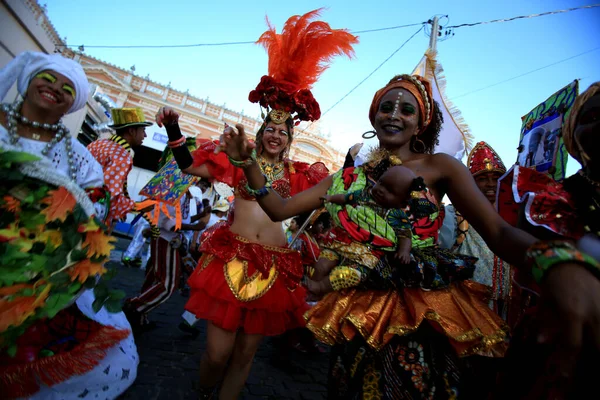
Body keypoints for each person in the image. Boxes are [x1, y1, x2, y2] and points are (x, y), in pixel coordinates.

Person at [221, 73, 600, 399]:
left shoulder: (441, 167)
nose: (394, 115)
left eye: (406, 110)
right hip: (357, 310)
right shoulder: (347, 178)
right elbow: (279, 208)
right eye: (386, 108)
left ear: (421, 122)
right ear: (373, 116)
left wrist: (557, 263)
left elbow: (499, 232)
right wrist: (246, 161)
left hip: (422, 309)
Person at [157, 10, 357, 399]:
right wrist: (173, 128)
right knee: (217, 354)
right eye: (271, 129)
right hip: (232, 258)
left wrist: (351, 171)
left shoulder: (301, 174)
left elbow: (327, 200)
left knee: (245, 356)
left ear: (289, 138)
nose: (276, 135)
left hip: (276, 265)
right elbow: (189, 166)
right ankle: (202, 391)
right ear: (262, 131)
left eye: (284, 131)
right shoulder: (236, 162)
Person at [0, 51, 138, 399]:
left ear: (72, 103)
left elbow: (92, 205)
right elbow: (113, 194)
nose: (55, 88)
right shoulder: (121, 152)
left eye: (67, 87)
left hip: (37, 274)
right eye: (47, 78)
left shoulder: (84, 155)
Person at [494, 82, 600, 399]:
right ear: (571, 133)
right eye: (592, 115)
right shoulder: (553, 197)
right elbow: (513, 236)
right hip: (562, 349)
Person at [308, 165, 462, 297]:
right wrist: (330, 198)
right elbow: (346, 198)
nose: (381, 190)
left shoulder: (397, 214)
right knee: (322, 264)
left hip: (365, 256)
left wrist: (404, 251)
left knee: (351, 275)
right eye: (381, 183)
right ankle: (312, 287)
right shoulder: (364, 194)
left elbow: (405, 234)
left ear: (402, 201)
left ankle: (321, 288)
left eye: (390, 190)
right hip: (342, 242)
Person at [439, 141, 512, 319]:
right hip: (469, 307)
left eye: (496, 178)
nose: (490, 184)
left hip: (509, 308)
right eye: (482, 179)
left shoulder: (513, 216)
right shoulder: (455, 215)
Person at [123, 188, 206, 331]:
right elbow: (171, 224)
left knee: (153, 280)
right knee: (167, 285)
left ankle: (140, 319)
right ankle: (135, 306)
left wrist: (200, 217)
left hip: (166, 239)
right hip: (166, 240)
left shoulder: (182, 196)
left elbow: (180, 219)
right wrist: (196, 226)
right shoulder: (176, 194)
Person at [87, 107, 151, 228]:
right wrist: (139, 206)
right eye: (143, 130)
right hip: (91, 219)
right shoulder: (122, 156)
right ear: (132, 131)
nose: (145, 135)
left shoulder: (98, 143)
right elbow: (106, 197)